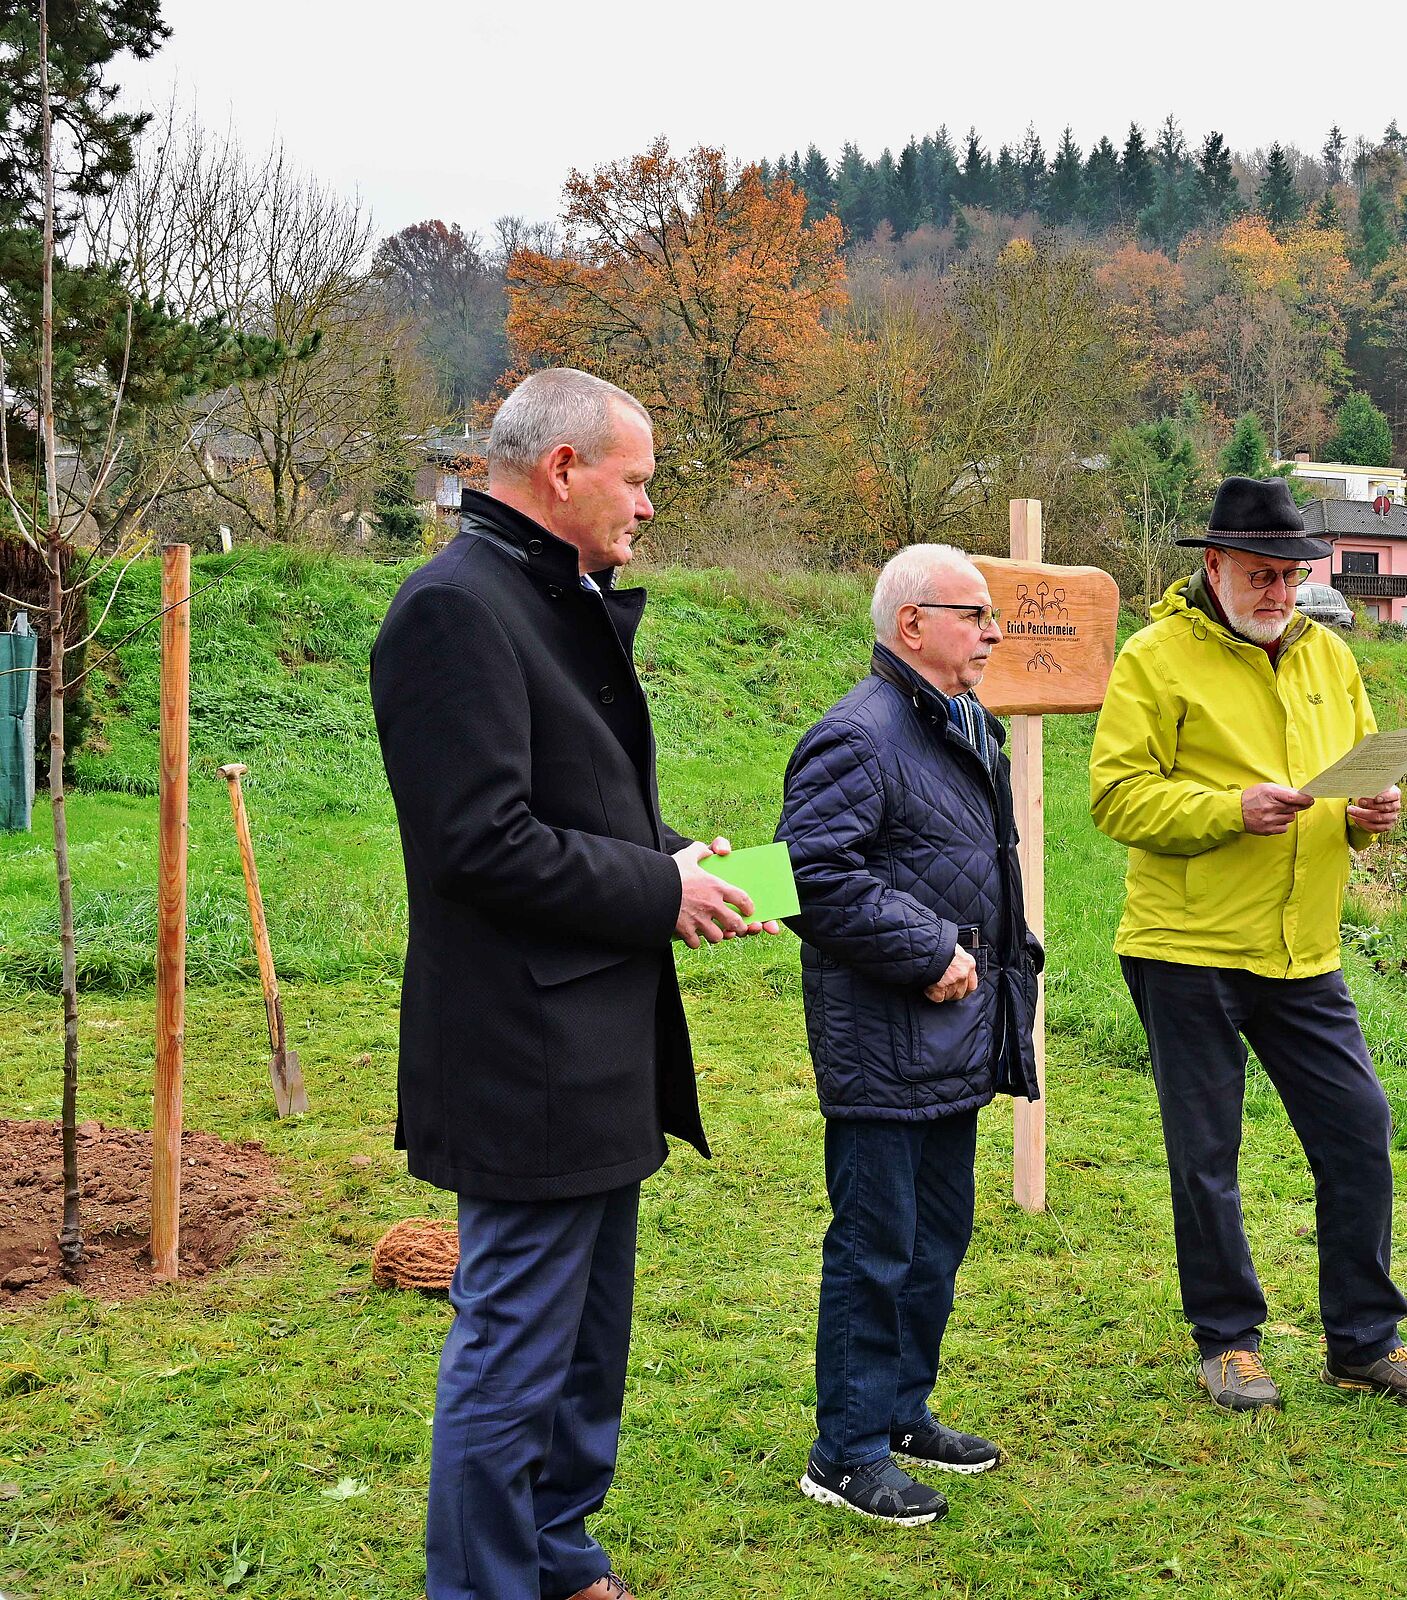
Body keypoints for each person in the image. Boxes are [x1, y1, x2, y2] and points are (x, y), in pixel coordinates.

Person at [371, 368, 772, 1600]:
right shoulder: (455, 609)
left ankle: (556, 1549)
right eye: (637, 479)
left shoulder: (547, 594)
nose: (649, 506)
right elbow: (478, 841)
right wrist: (659, 894)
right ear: (563, 472)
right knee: (514, 1348)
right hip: (520, 1051)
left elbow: (561, 806)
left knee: (588, 1340)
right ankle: (486, 1583)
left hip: (596, 1035)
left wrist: (664, 861)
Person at [1089, 475, 1407, 1414]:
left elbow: (1362, 773)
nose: (1276, 592)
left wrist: (1376, 814)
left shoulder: (1330, 657)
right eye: (1259, 574)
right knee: (1207, 1153)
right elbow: (1116, 797)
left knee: (1358, 1130)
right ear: (1213, 567)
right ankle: (1227, 1342)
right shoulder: (1154, 658)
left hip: (1304, 949)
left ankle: (1364, 1341)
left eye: (1290, 576)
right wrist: (1228, 810)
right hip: (1187, 946)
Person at [776, 544, 1040, 1526]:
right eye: (975, 616)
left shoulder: (966, 724)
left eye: (991, 617)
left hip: (956, 1033)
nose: (992, 633)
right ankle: (842, 1452)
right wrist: (928, 946)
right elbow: (815, 876)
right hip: (886, 1034)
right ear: (912, 623)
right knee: (876, 1244)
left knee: (936, 1238)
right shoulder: (857, 734)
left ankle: (900, 1412)